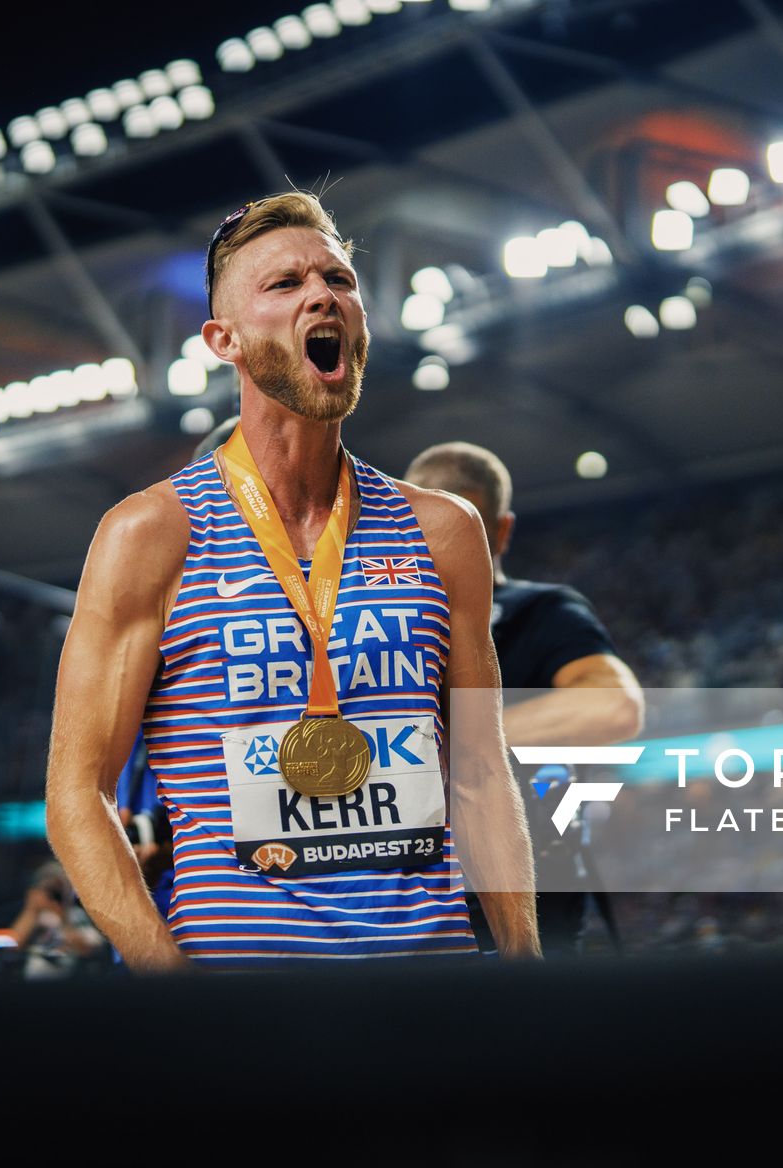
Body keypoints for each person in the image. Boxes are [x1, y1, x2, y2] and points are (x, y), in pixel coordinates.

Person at [45, 190, 539, 968]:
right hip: (246, 1015)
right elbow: (78, 796)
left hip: (434, 989)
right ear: (225, 339)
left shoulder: (444, 532)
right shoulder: (150, 535)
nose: (323, 295)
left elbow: (479, 772)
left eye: (339, 280)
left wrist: (523, 965)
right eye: (285, 285)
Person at [405, 442, 643, 955]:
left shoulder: (539, 611)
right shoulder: (373, 622)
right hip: (406, 900)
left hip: (528, 900)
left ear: (501, 531)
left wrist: (462, 742)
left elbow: (615, 705)